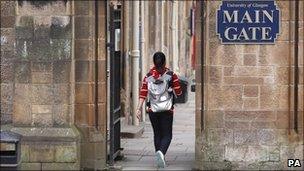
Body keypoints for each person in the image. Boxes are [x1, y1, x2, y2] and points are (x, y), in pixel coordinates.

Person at [135, 52, 182, 168]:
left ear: (154, 62)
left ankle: (160, 157)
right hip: (167, 110)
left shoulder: (148, 76)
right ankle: (161, 153)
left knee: (157, 134)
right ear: (165, 62)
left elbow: (143, 93)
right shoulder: (171, 75)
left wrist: (138, 109)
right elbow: (179, 92)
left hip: (152, 110)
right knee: (167, 135)